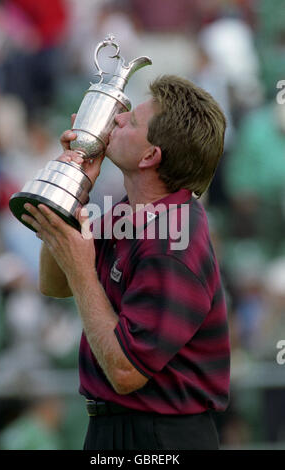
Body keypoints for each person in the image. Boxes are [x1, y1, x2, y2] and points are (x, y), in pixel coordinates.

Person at [21, 75, 230, 450]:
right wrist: (75, 186)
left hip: (162, 439)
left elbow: (125, 371)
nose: (117, 118)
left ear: (150, 157)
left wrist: (82, 269)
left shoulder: (173, 241)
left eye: (131, 120)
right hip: (118, 431)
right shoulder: (134, 213)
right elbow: (54, 283)